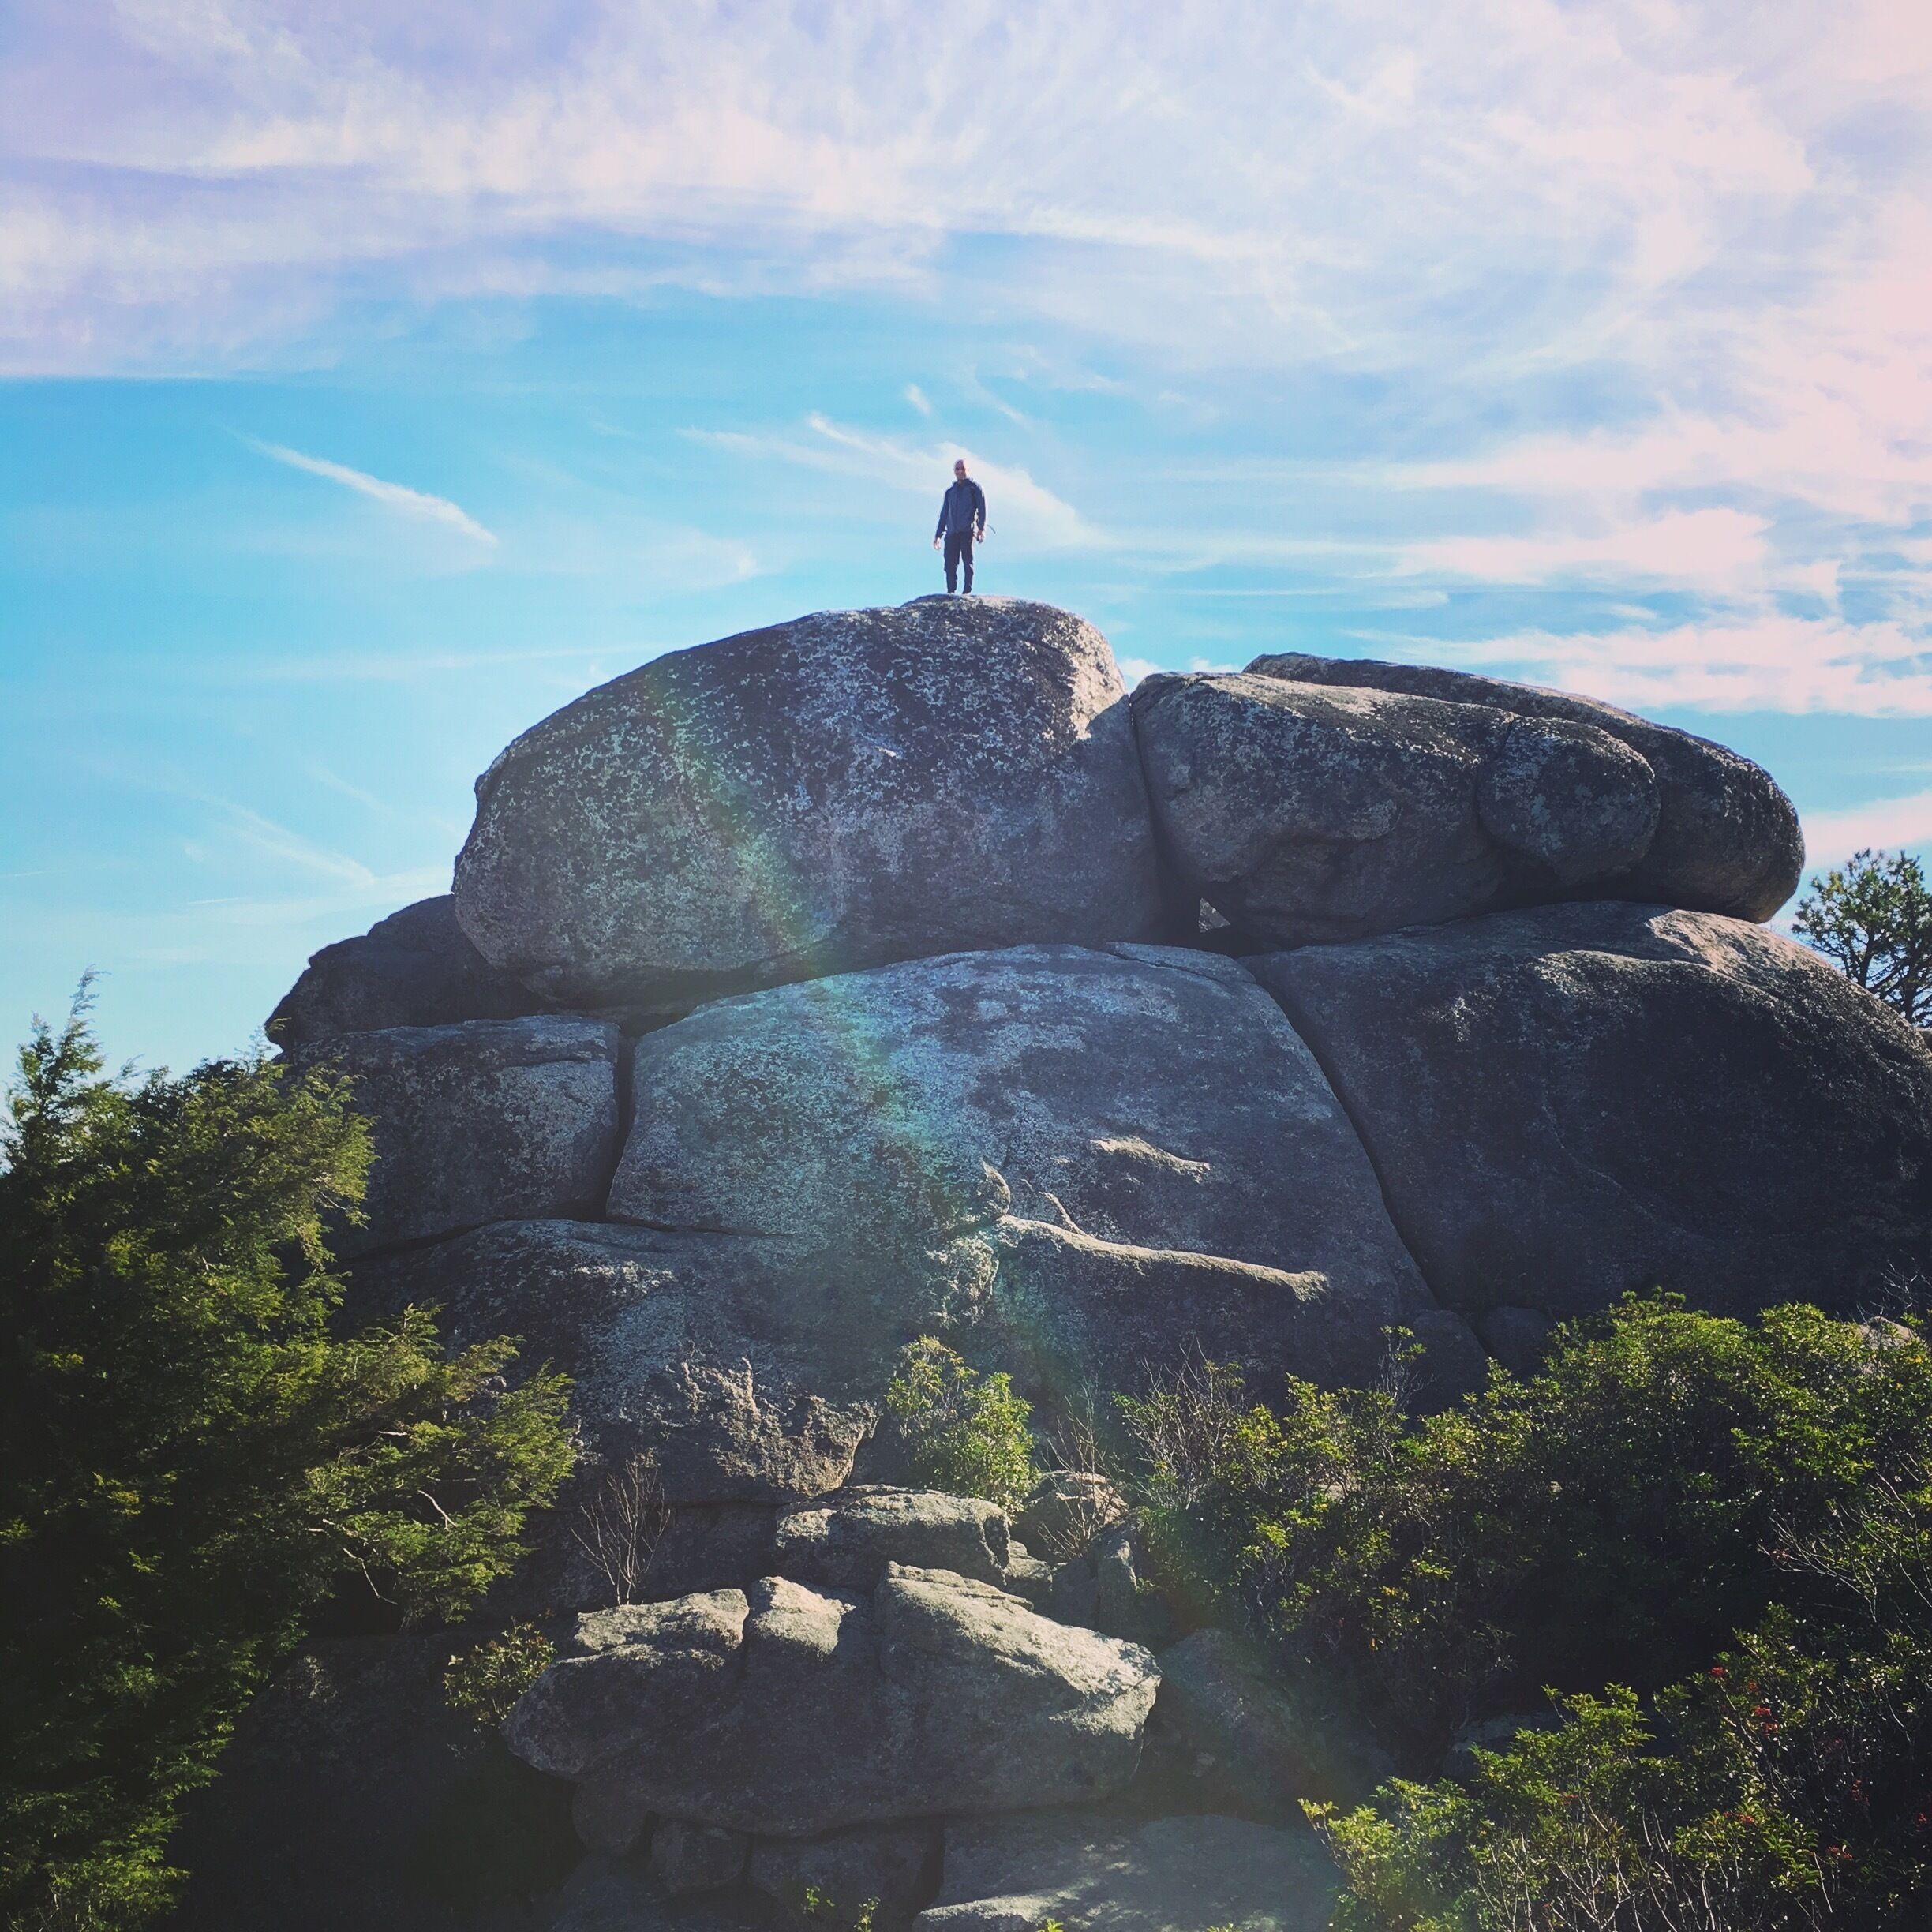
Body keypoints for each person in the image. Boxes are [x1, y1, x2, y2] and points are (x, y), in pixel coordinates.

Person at [932, 457, 987, 593]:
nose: (960, 471)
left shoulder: (975, 488)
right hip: (952, 533)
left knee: (968, 561)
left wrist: (981, 529)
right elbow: (944, 514)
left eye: (963, 468)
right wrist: (938, 535)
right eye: (957, 469)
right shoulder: (950, 492)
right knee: (950, 564)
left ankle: (967, 591)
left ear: (968, 470)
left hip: (968, 531)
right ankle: (951, 592)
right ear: (954, 471)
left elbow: (982, 509)